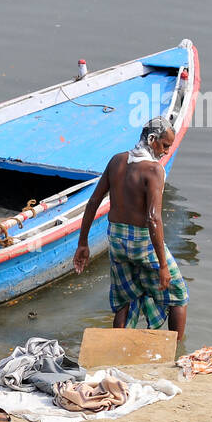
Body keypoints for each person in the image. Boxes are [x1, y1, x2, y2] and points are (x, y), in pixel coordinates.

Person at [73, 116, 188, 339]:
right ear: (152, 139)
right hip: (143, 243)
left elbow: (93, 202)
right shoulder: (154, 170)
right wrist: (162, 265)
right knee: (178, 295)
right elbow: (153, 219)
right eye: (164, 145)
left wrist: (83, 243)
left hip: (116, 239)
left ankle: (117, 348)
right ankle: (175, 353)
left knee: (124, 298)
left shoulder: (117, 161)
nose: (165, 152)